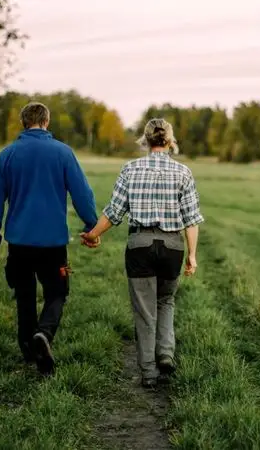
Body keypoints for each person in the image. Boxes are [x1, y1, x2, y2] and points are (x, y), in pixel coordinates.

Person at [80, 118, 204, 388]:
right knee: (166, 301)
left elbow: (113, 213)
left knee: (145, 310)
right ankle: (166, 354)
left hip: (140, 246)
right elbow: (191, 219)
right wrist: (192, 255)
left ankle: (149, 372)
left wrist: (92, 235)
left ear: (145, 141)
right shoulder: (183, 172)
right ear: (170, 141)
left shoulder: (130, 169)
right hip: (173, 247)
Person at [0, 102, 98, 377]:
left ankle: (28, 347)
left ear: (24, 123)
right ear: (46, 122)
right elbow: (82, 193)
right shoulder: (63, 152)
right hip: (53, 245)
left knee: (24, 294)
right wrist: (92, 226)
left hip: (19, 243)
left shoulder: (7, 155)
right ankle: (44, 334)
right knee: (58, 291)